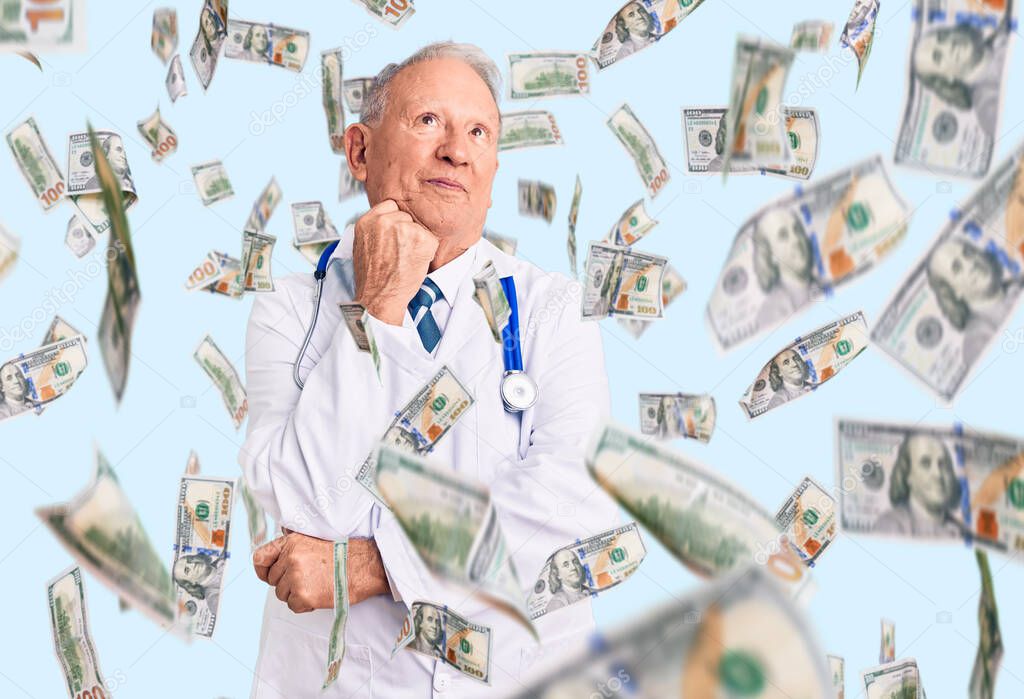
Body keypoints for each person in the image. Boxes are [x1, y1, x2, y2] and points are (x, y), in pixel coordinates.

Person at [241, 42, 618, 698]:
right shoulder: (289, 314)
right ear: (360, 151)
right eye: (428, 123)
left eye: (479, 132)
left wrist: (376, 564)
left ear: (494, 165)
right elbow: (308, 509)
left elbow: (568, 515)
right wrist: (378, 307)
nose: (457, 150)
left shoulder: (553, 311)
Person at [925, 237, 1013, 361]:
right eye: (957, 269)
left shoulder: (1017, 284)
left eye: (968, 253)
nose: (971, 264)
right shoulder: (978, 342)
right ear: (954, 292)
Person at [873, 433, 967, 538]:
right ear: (907, 474)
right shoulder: (890, 525)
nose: (938, 474)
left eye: (942, 464)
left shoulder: (960, 531)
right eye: (925, 463)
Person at [751, 208, 818, 326]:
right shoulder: (770, 312)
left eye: (797, 230)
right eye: (783, 236)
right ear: (770, 255)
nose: (796, 239)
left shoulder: (822, 285)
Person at [543, 549, 593, 614]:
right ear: (557, 574)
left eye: (575, 562)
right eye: (566, 565)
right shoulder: (556, 604)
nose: (573, 567)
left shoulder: (593, 591)